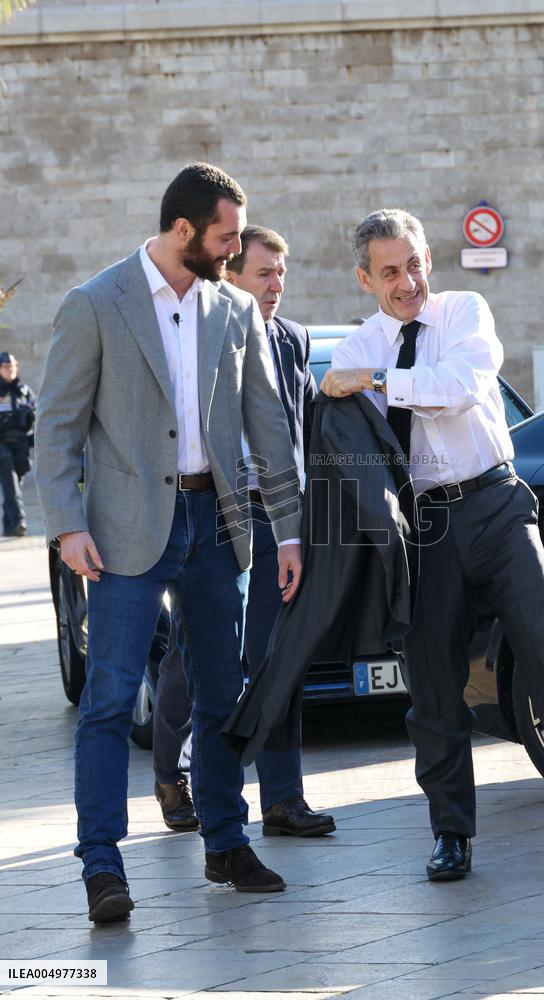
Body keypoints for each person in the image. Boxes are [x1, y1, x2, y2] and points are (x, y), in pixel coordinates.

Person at [320, 209, 544, 882]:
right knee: (434, 678)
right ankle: (450, 834)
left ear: (429, 259)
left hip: (496, 503)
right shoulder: (357, 348)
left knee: (543, 636)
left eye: (414, 264)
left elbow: (462, 388)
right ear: (364, 279)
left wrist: (380, 383)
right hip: (426, 526)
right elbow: (344, 438)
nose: (407, 281)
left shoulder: (465, 311)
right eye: (389, 271)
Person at [35, 163, 303, 923]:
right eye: (224, 238)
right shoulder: (94, 304)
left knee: (223, 693)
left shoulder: (232, 310)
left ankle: (226, 840)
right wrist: (66, 524)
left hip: (216, 524)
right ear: (183, 230)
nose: (233, 250)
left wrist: (287, 529)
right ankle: (101, 866)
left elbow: (269, 427)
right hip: (120, 533)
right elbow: (56, 429)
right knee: (110, 699)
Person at [153, 225, 335, 838]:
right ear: (231, 275)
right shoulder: (203, 330)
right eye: (264, 272)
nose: (276, 284)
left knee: (275, 655)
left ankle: (283, 799)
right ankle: (170, 774)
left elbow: (304, 428)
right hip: (215, 515)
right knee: (201, 658)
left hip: (277, 516)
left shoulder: (293, 338)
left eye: (282, 272)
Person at [0, 351, 36, 537]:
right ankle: (19, 520)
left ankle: (8, 527)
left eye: (14, 366)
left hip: (21, 444)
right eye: (6, 366)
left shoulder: (25, 392)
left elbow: (36, 416)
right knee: (10, 482)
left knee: (16, 484)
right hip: (2, 444)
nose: (11, 369)